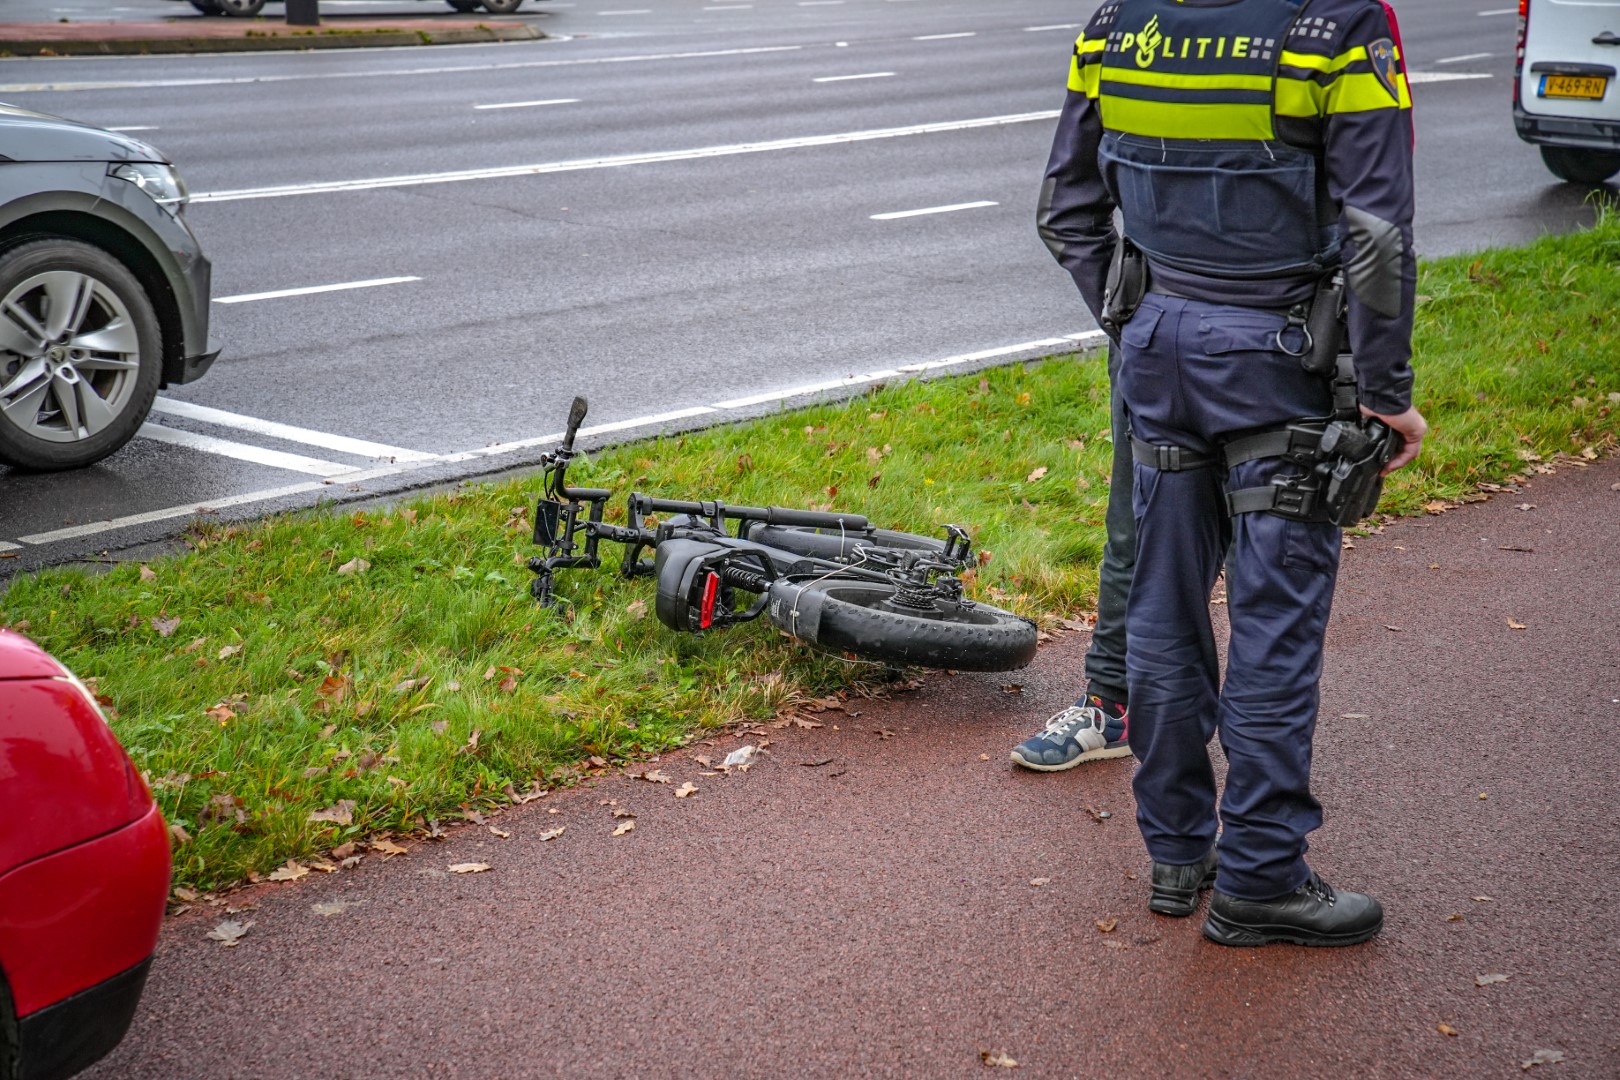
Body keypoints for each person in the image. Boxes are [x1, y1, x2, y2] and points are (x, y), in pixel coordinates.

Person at [1034, 0, 1426, 946]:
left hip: (1159, 352)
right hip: (1282, 360)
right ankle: (1260, 877)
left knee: (1162, 613)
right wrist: (1386, 390)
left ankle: (1176, 855)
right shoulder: (1334, 28)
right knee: (1274, 627)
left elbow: (1065, 210)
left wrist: (1134, 321)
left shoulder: (1116, 27)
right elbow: (1374, 233)